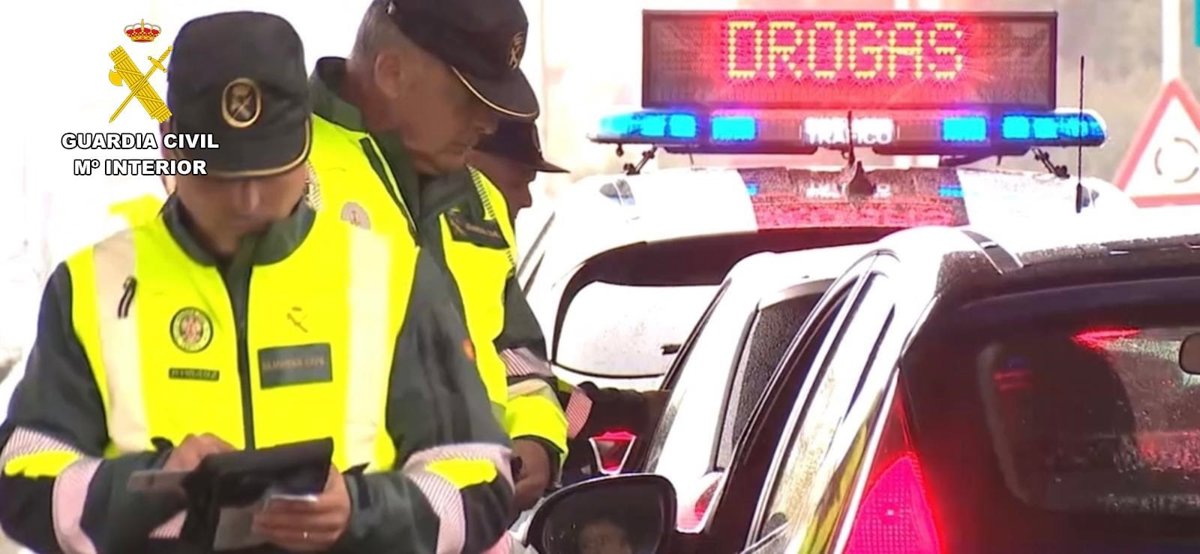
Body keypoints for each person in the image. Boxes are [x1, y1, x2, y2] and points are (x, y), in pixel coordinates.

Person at [0, 11, 513, 554]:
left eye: (268, 173)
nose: (247, 202)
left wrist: (358, 512)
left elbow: (479, 477)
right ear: (169, 146)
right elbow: (20, 478)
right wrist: (151, 488)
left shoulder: (394, 277)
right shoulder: (92, 285)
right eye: (221, 176)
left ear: (307, 143)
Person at [304, 0, 570, 514]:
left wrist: (537, 439)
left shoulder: (480, 198)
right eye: (470, 98)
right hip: (341, 525)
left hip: (470, 521)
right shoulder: (284, 179)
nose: (488, 122)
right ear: (392, 73)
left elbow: (515, 355)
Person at [468, 120, 670, 487]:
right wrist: (636, 411)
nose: (527, 199)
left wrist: (633, 411)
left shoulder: (478, 261)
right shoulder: (442, 257)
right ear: (468, 159)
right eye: (518, 181)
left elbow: (525, 381)